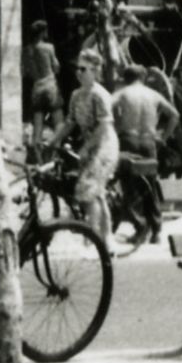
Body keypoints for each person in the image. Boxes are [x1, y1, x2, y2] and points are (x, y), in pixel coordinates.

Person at [111, 61, 178, 245]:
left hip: (128, 141)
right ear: (143, 78)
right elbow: (174, 115)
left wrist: (116, 125)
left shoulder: (122, 93)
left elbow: (107, 107)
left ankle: (140, 228)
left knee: (130, 186)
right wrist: (163, 137)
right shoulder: (153, 94)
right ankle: (156, 230)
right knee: (150, 186)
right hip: (149, 143)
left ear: (126, 79)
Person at [61, 47, 118, 247]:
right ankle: (107, 239)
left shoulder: (100, 95)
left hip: (104, 146)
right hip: (89, 146)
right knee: (97, 193)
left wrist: (86, 148)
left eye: (83, 69)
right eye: (77, 69)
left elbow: (104, 126)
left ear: (95, 71)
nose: (79, 73)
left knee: (89, 190)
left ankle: (91, 240)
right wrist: (52, 142)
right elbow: (69, 122)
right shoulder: (76, 95)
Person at [25, 19, 62, 147]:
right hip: (50, 86)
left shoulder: (27, 50)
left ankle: (36, 151)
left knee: (38, 122)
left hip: (37, 88)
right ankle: (58, 148)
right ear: (41, 33)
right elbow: (56, 67)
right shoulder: (49, 47)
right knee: (58, 119)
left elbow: (26, 72)